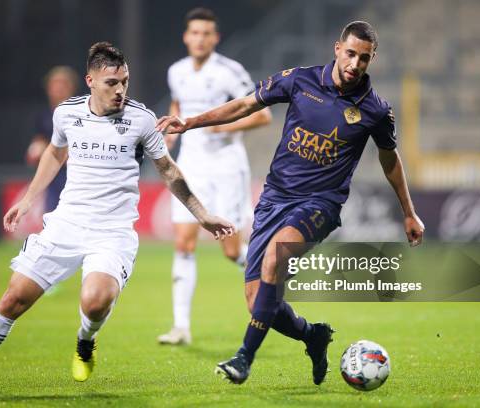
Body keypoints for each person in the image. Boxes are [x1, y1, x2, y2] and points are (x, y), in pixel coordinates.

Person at [0, 42, 234, 389]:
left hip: (112, 232)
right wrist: (28, 199)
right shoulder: (66, 113)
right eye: (111, 83)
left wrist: (202, 215)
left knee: (95, 301)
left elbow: (169, 170)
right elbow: (55, 154)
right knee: (13, 299)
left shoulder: (141, 119)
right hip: (66, 224)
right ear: (90, 80)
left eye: (124, 82)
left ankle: (86, 339)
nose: (120, 90)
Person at [156, 21, 425, 385]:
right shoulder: (300, 80)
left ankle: (243, 358)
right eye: (350, 54)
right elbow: (245, 105)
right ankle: (313, 336)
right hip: (274, 200)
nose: (355, 64)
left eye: (364, 58)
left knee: (276, 257)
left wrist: (408, 212)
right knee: (258, 302)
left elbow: (390, 159)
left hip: (320, 204)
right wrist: (190, 122)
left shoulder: (376, 110)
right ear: (337, 48)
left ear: (372, 58)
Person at [157, 7, 272, 346]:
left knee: (231, 249)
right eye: (195, 32)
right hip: (190, 165)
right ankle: (181, 327)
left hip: (226, 167)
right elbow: (179, 104)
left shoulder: (229, 71)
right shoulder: (176, 71)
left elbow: (262, 116)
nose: (200, 38)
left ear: (215, 38)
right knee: (183, 243)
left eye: (206, 33)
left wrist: (224, 125)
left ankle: (271, 276)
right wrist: (173, 132)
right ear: (186, 36)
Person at [26, 66, 79, 212]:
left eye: (62, 84)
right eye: (54, 84)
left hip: (76, 176)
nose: (58, 89)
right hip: (52, 177)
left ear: (71, 87)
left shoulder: (81, 113)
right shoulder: (43, 117)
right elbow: (38, 142)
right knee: (52, 217)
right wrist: (35, 151)